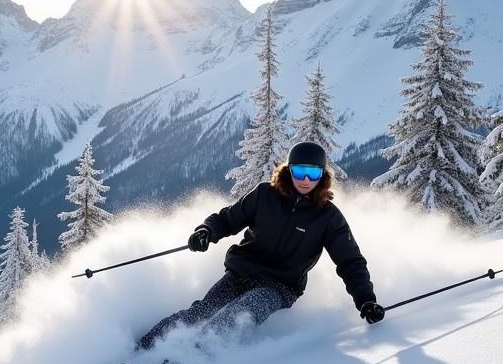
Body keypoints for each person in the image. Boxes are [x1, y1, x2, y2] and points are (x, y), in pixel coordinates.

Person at [136, 141, 385, 352]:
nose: (306, 180)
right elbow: (226, 219)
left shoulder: (328, 217)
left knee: (240, 313)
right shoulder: (265, 195)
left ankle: (189, 357)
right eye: (299, 172)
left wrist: (365, 300)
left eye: (313, 174)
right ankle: (143, 348)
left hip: (280, 286)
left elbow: (350, 262)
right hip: (240, 274)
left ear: (323, 176)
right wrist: (206, 231)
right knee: (202, 311)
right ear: (288, 171)